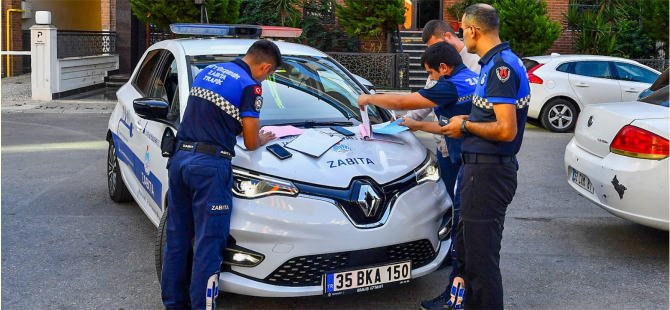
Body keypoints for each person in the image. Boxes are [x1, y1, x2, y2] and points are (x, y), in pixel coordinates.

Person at [161, 40, 280, 310]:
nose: (265, 78)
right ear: (266, 66)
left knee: (177, 240)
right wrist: (259, 138)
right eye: (268, 75)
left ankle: (173, 304)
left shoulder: (208, 71)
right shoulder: (251, 85)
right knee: (208, 244)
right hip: (209, 168)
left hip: (180, 160)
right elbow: (250, 142)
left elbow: (209, 117)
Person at [440, 4, 531, 309]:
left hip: (488, 174)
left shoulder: (500, 68)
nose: (459, 34)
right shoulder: (492, 64)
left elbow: (506, 129)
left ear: (473, 30)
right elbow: (490, 115)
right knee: (469, 255)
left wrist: (464, 124)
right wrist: (465, 121)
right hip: (480, 171)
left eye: (461, 28)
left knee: (481, 263)